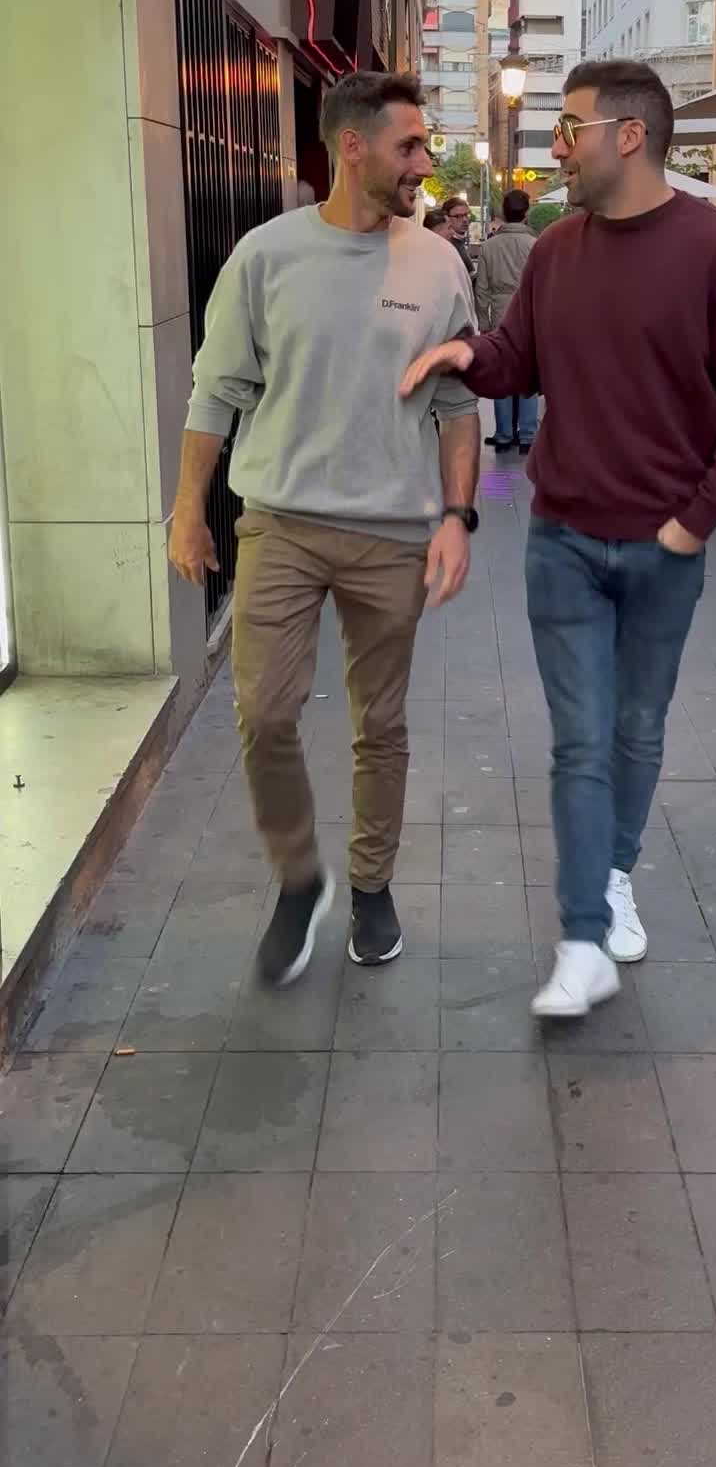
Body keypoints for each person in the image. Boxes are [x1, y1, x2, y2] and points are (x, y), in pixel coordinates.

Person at [400, 59, 716, 1019]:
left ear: (630, 135)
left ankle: (613, 875)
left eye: (570, 129)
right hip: (563, 540)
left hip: (665, 549)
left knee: (636, 729)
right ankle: (583, 939)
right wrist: (466, 352)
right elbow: (519, 357)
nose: (557, 149)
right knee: (581, 741)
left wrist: (695, 522)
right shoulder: (556, 250)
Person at [169, 71, 480, 984]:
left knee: (381, 723)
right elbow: (215, 392)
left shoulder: (438, 263)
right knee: (265, 712)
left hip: (393, 532)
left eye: (425, 144)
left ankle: (372, 886)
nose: (423, 161)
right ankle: (299, 878)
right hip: (282, 525)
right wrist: (187, 509)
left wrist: (458, 515)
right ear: (353, 146)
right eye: (409, 145)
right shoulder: (265, 256)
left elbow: (458, 406)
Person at [474, 190, 538, 455]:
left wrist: (483, 322)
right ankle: (527, 434)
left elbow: (482, 289)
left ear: (504, 212)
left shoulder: (489, 246)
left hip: (499, 313)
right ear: (526, 213)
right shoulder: (535, 244)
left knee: (502, 374)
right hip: (528, 313)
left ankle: (503, 434)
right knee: (528, 374)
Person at [444, 196, 476, 279]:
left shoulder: (459, 241)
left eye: (466, 215)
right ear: (446, 218)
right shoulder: (447, 244)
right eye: (458, 216)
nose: (465, 219)